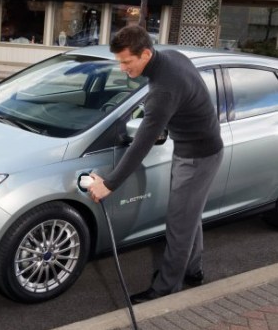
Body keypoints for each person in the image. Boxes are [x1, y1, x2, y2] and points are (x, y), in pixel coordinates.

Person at [86, 25, 224, 304]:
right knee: (189, 216)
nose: (122, 67)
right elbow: (190, 97)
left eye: (127, 61)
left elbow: (141, 144)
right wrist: (171, 123)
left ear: (146, 53)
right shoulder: (173, 56)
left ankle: (165, 289)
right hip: (198, 149)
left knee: (178, 222)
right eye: (119, 61)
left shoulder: (162, 91)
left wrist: (109, 184)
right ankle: (193, 271)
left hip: (198, 156)